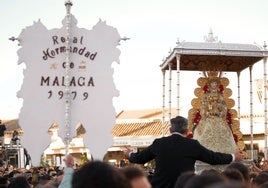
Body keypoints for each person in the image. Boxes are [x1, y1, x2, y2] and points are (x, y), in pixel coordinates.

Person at [125, 116, 244, 188]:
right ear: (187, 131)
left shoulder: (158, 143)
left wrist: (129, 154)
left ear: (170, 130)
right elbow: (213, 158)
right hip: (184, 185)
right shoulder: (192, 145)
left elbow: (139, 158)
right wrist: (233, 157)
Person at [193, 77, 237, 154]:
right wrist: (205, 112)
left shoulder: (220, 96)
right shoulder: (205, 96)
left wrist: (221, 112)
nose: (214, 85)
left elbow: (224, 107)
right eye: (213, 83)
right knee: (205, 131)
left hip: (218, 118)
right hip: (208, 118)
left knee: (224, 131)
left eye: (215, 83)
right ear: (209, 85)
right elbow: (203, 106)